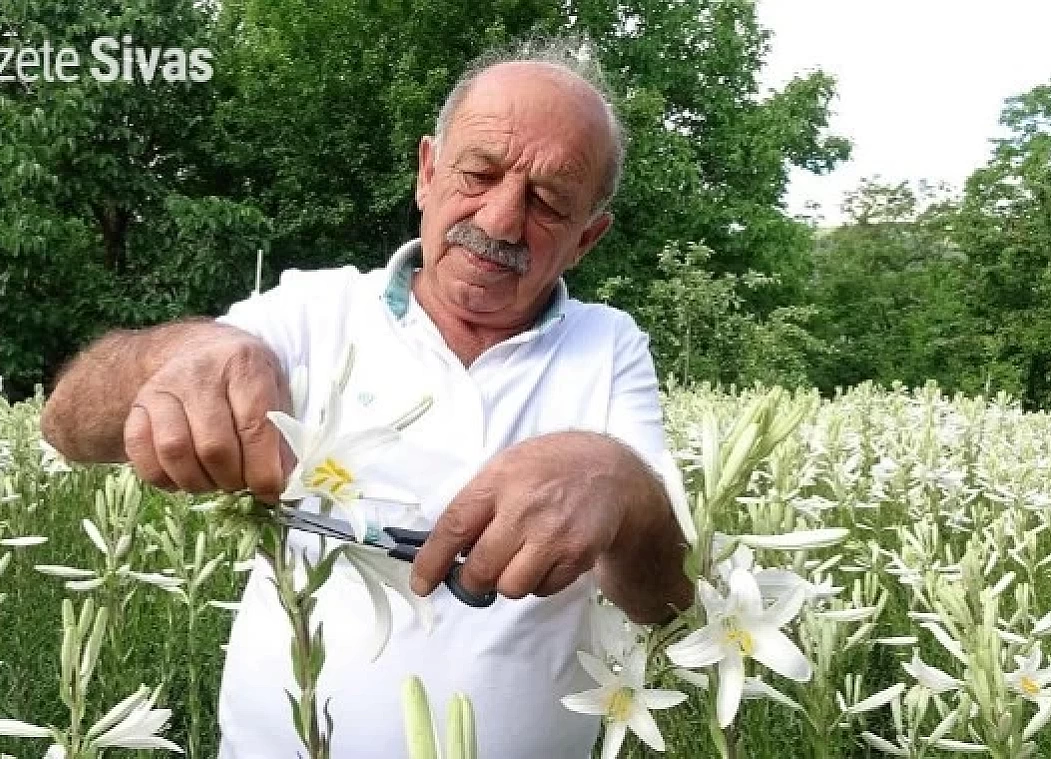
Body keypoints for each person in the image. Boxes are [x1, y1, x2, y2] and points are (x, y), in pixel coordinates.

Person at [41, 36, 693, 758]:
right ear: (426, 172)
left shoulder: (608, 345)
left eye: (548, 202)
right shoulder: (311, 311)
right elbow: (66, 423)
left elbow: (667, 600)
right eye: (480, 172)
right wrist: (178, 355)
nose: (502, 220)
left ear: (586, 240)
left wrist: (622, 487)